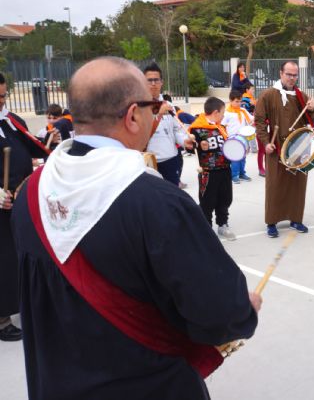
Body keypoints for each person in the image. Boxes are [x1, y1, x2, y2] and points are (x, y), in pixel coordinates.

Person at [10, 57, 260, 399]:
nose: (156, 113)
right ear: (132, 115)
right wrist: (243, 308)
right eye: (152, 106)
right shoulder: (158, 204)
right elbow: (222, 314)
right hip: (147, 384)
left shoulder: (30, 193)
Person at [0, 72, 51, 342]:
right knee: (4, 259)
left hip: (19, 199)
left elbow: (31, 149)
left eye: (3, 95)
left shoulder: (11, 121)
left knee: (23, 253)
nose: (1, 101)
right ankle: (2, 317)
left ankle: (21, 302)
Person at [254, 61, 314, 238]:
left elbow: (311, 121)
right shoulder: (267, 95)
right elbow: (259, 121)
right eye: (289, 74)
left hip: (299, 148)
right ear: (281, 73)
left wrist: (311, 110)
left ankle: (296, 219)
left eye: (295, 75)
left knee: (298, 185)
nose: (292, 78)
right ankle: (272, 222)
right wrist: (266, 142)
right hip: (276, 148)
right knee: (275, 185)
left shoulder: (302, 96)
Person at [188, 97, 236, 240]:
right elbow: (190, 147)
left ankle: (223, 224)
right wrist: (197, 145)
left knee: (225, 199)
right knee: (207, 202)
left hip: (225, 169)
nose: (223, 116)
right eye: (222, 113)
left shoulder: (221, 127)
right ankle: (206, 230)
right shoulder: (197, 128)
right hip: (208, 172)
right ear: (215, 112)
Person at [143, 62, 192, 186]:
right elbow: (139, 134)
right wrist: (158, 114)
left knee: (171, 201)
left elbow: (176, 130)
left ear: (161, 82)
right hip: (149, 162)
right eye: (149, 80)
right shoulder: (139, 106)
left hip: (171, 159)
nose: (153, 84)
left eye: (156, 80)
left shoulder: (168, 105)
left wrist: (184, 142)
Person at [222, 90, 253, 184]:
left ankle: (242, 173)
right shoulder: (226, 113)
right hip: (232, 139)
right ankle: (234, 175)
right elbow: (222, 126)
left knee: (243, 157)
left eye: (240, 101)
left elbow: (251, 119)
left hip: (243, 138)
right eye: (236, 101)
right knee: (235, 158)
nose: (239, 103)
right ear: (230, 101)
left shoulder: (243, 111)